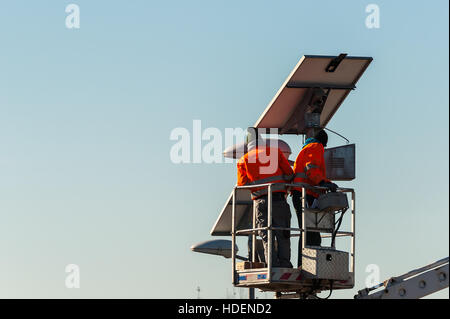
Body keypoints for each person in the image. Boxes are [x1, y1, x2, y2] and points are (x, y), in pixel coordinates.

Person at [237, 128, 294, 268]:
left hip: (260, 202)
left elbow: (242, 184)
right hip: (279, 200)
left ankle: (271, 265)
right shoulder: (275, 153)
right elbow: (289, 174)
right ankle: (285, 265)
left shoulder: (243, 160)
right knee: (283, 235)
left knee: (266, 236)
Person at [291, 129, 338, 266]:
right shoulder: (316, 147)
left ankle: (305, 263)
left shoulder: (306, 148)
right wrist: (323, 183)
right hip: (305, 194)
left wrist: (324, 182)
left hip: (302, 194)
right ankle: (306, 264)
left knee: (308, 231)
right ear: (324, 143)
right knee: (310, 232)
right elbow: (311, 168)